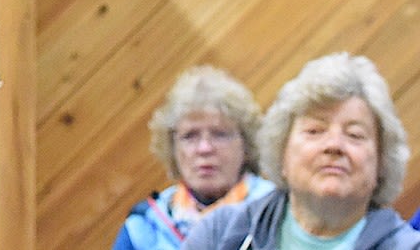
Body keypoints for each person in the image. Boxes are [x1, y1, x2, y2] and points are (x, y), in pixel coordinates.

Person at [182, 52, 420, 249]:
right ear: (282, 151)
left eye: (355, 135)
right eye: (315, 131)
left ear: (382, 163)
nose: (334, 145)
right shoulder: (221, 234)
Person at [113, 65, 275, 249]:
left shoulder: (277, 212)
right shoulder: (145, 227)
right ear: (172, 148)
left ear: (246, 144)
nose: (204, 148)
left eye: (219, 134)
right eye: (190, 136)